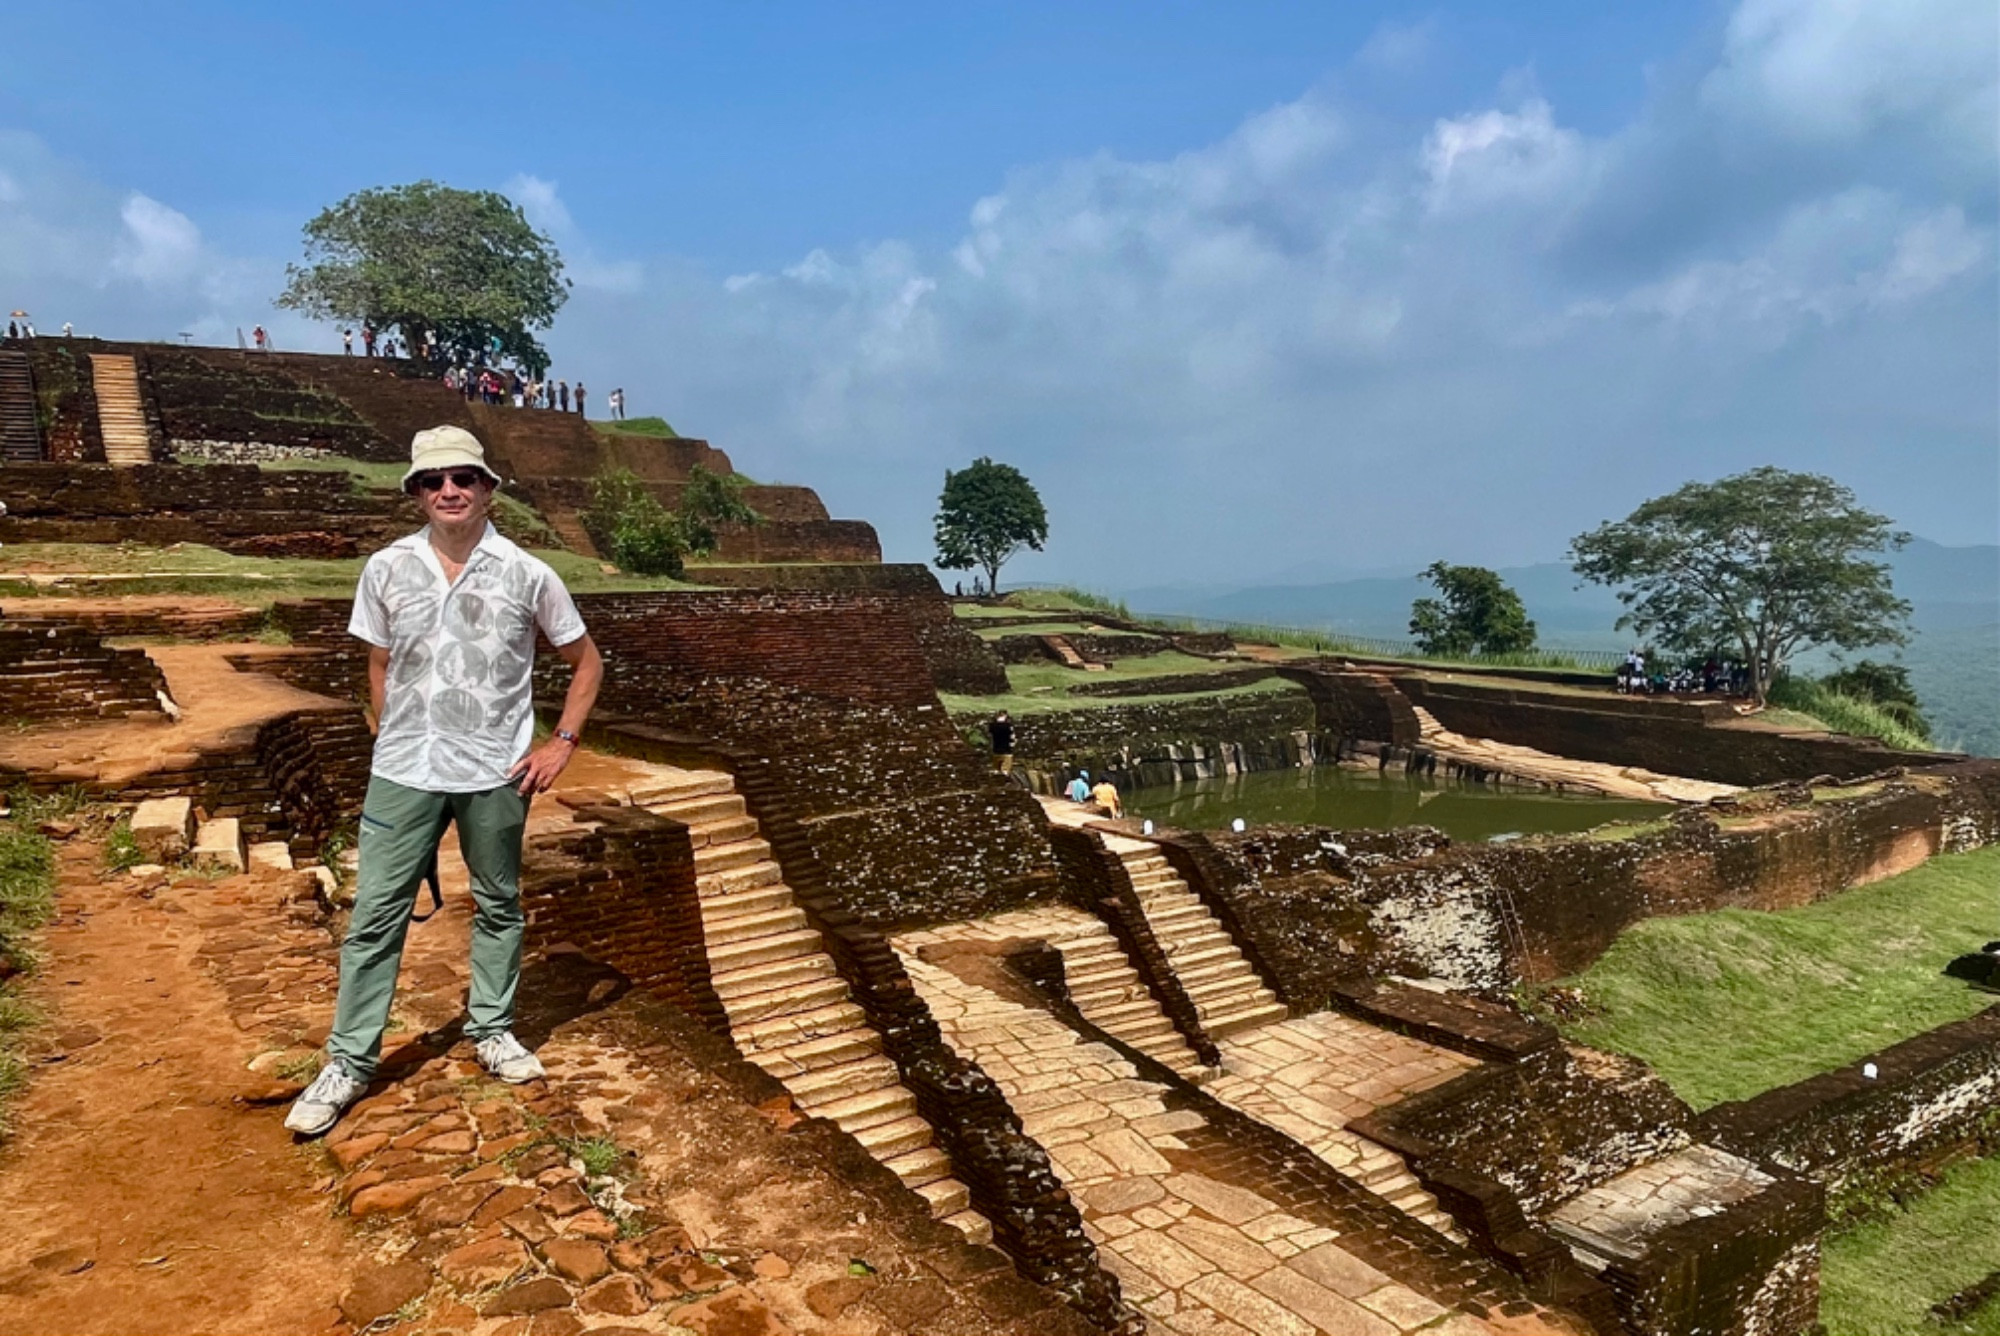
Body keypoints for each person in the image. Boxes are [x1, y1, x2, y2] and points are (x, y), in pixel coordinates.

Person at [284, 425, 604, 1137]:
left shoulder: (527, 573)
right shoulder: (387, 568)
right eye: (434, 482)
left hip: (495, 768)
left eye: (463, 478)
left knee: (497, 902)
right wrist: (384, 734)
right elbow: (378, 663)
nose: (450, 491)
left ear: (489, 489)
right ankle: (349, 1060)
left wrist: (560, 744)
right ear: (417, 494)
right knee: (375, 916)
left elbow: (586, 663)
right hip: (404, 769)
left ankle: (491, 1027)